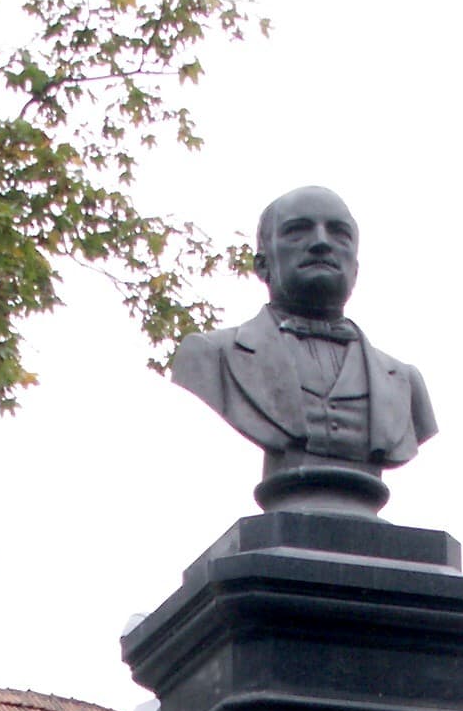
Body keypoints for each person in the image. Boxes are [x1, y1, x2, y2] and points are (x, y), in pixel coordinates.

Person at [171, 186, 435, 497]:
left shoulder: (406, 383)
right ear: (262, 265)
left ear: (356, 268)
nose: (322, 243)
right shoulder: (210, 356)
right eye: (297, 231)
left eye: (339, 233)